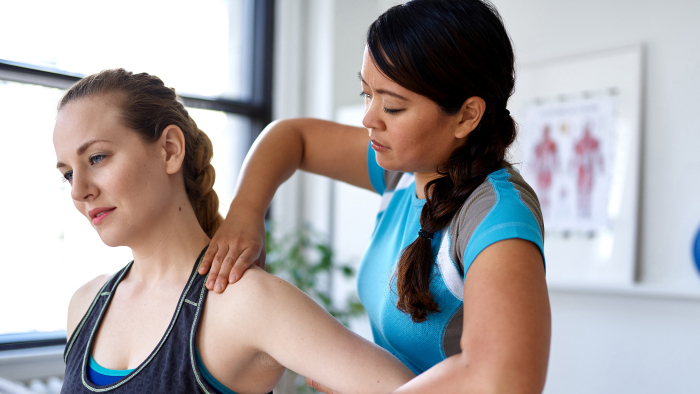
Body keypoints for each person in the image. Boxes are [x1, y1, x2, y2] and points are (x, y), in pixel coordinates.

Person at [199, 0, 552, 392]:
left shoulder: (497, 215)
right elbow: (291, 137)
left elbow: (506, 379)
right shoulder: (405, 172)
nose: (369, 118)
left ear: (467, 115)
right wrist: (245, 213)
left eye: (393, 106)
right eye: (366, 93)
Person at [54, 68, 415, 394]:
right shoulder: (84, 305)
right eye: (68, 173)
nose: (78, 189)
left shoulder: (246, 301)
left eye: (97, 158)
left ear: (169, 150)